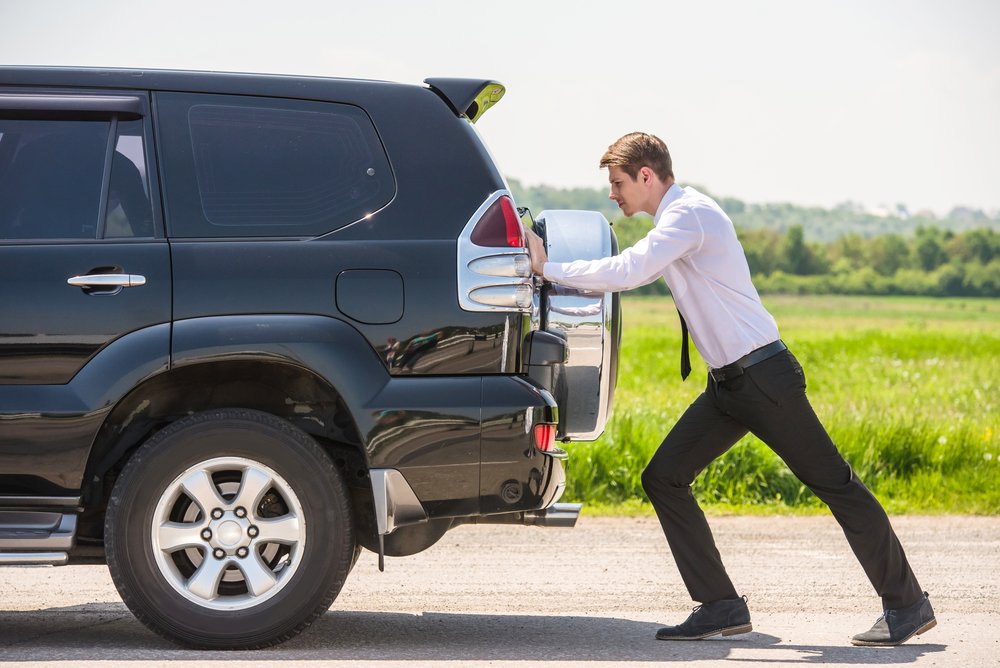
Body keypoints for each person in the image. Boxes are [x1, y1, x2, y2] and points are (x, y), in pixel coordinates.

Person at [523, 132, 936, 647]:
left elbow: (629, 270)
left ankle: (907, 604)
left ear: (646, 176)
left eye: (618, 182)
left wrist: (546, 268)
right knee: (664, 477)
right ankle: (720, 605)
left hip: (763, 378)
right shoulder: (676, 221)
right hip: (729, 386)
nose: (613, 194)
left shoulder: (687, 216)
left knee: (835, 484)